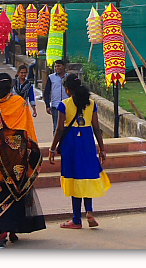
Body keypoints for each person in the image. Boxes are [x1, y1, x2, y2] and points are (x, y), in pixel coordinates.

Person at [0, 73, 46, 247]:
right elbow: (28, 131)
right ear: (11, 86)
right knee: (18, 193)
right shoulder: (20, 104)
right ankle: (14, 230)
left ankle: (3, 233)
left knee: (0, 193)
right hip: (18, 161)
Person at [48, 74, 110, 229]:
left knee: (74, 179)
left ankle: (76, 219)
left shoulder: (64, 104)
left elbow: (60, 129)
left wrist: (52, 148)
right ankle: (89, 212)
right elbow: (97, 127)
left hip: (71, 144)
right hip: (88, 143)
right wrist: (102, 148)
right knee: (87, 177)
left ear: (67, 90)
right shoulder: (91, 103)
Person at [43, 59, 67, 133]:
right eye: (55, 66)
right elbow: (47, 92)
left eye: (59, 66)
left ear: (64, 67)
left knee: (67, 126)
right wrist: (47, 105)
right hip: (56, 106)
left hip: (67, 106)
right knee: (56, 126)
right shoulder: (51, 77)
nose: (57, 68)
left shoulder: (68, 77)